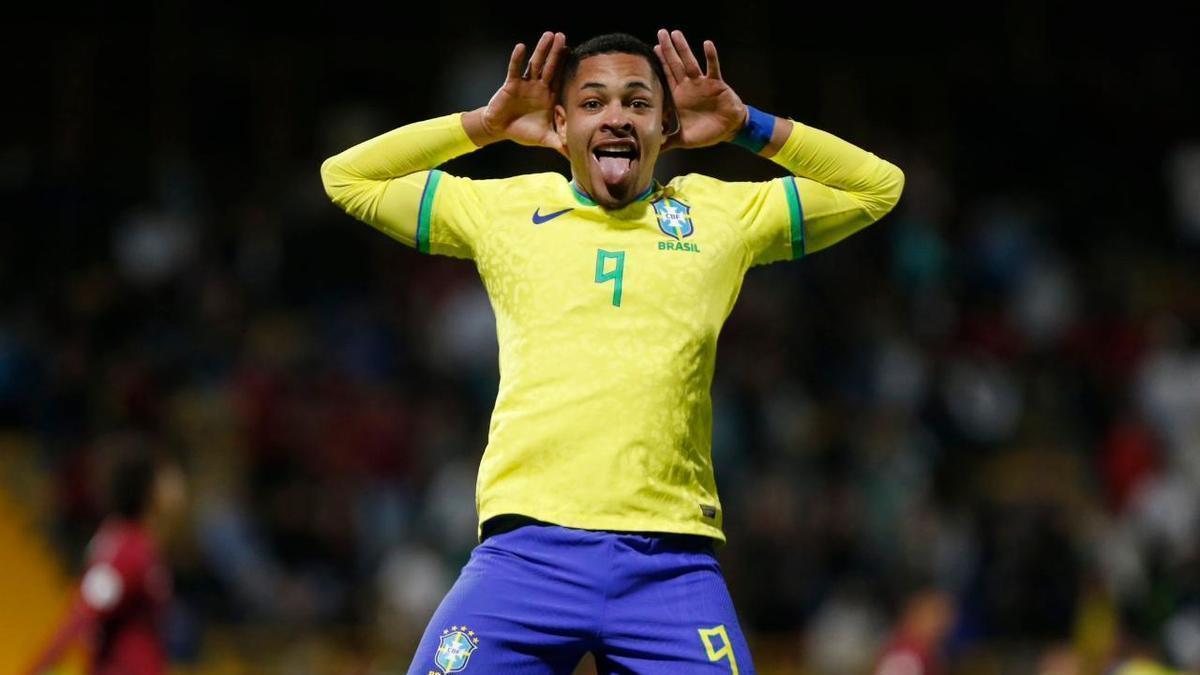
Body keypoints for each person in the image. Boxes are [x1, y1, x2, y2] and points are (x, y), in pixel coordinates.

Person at [322, 28, 903, 674]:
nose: (617, 117)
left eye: (637, 102)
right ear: (561, 123)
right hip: (523, 561)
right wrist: (484, 127)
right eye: (594, 103)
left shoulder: (718, 216)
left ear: (667, 125)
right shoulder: (504, 211)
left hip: (669, 567)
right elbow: (347, 177)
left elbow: (878, 186)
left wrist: (747, 125)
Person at [26, 451, 186, 675]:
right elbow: (82, 614)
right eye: (167, 478)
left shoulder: (142, 545)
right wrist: (35, 670)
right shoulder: (126, 550)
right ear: (149, 489)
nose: (177, 487)